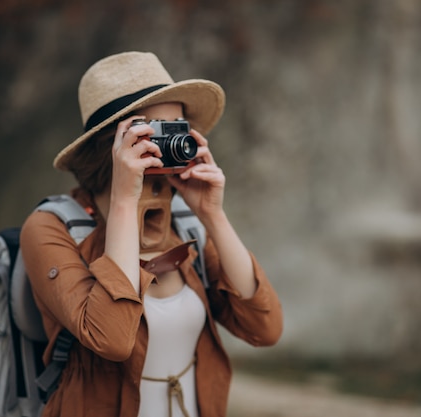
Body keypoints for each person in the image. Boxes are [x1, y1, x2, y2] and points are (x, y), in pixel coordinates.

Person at [20, 51, 283, 417]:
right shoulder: (52, 227)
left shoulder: (185, 224)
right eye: (153, 131)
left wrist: (213, 216)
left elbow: (264, 328)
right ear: (109, 144)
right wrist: (125, 201)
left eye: (178, 127)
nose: (170, 142)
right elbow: (111, 339)